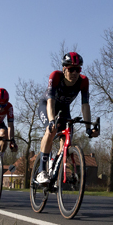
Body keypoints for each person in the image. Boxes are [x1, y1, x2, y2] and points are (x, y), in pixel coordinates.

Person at [34, 53, 93, 186]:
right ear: (64, 69)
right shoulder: (55, 76)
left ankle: (56, 169)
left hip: (64, 108)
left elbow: (85, 105)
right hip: (48, 105)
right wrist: (51, 120)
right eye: (71, 69)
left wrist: (88, 127)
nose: (74, 73)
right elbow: (50, 101)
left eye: (77, 69)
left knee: (67, 142)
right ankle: (41, 171)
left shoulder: (84, 81)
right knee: (51, 130)